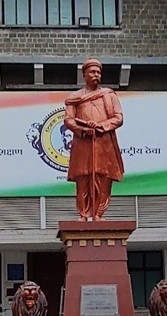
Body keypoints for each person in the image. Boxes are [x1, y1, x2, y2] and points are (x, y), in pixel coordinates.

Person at [64, 58, 124, 221]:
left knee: (103, 178)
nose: (96, 75)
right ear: (84, 75)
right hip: (82, 143)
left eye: (98, 72)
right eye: (92, 72)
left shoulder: (109, 95)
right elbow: (68, 120)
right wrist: (83, 130)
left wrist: (100, 125)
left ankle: (98, 214)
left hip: (104, 143)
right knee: (83, 178)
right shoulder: (74, 98)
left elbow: (118, 118)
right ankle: (83, 214)